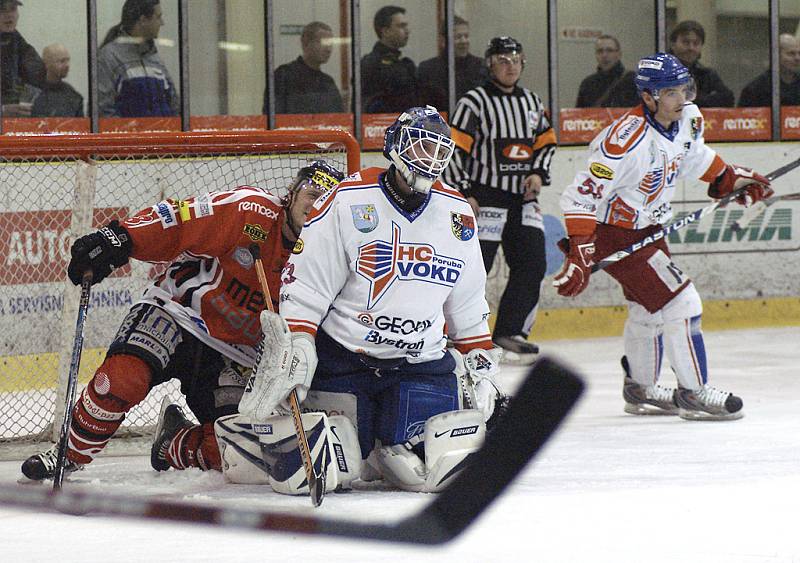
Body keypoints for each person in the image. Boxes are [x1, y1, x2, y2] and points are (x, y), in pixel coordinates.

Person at [226, 106, 505, 495]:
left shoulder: (457, 215)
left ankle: (378, 446)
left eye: (440, 151)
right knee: (326, 468)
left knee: (431, 472)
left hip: (419, 366)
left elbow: (468, 303)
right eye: (423, 148)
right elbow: (306, 286)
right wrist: (300, 345)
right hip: (345, 363)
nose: (431, 160)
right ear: (394, 146)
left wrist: (481, 365)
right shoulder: (346, 200)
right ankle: (250, 439)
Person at [20, 161, 345, 481]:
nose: (316, 205)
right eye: (311, 194)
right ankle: (69, 455)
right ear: (291, 195)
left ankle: (172, 442)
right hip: (179, 312)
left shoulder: (333, 255)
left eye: (325, 201)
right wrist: (121, 238)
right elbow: (181, 218)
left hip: (236, 354)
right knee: (121, 380)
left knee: (240, 451)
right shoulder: (250, 211)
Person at [553, 53, 773, 420]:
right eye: (670, 92)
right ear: (648, 96)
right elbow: (579, 196)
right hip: (614, 232)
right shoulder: (623, 143)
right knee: (682, 303)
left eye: (683, 89)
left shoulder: (687, 118)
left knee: (648, 309)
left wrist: (728, 179)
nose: (681, 98)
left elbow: (694, 158)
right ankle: (695, 392)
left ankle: (640, 388)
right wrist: (580, 250)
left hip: (647, 229)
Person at [443, 37, 556, 365]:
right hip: (484, 197)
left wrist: (537, 172)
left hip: (523, 199)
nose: (511, 66)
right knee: (474, 270)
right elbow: (454, 149)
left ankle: (511, 331)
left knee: (533, 263)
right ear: (490, 63)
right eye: (503, 60)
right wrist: (464, 193)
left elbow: (546, 142)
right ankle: (458, 333)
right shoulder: (473, 102)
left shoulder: (532, 102)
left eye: (516, 59)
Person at [97, 0, 179, 118]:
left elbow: (173, 103)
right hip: (132, 135)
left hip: (162, 135)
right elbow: (103, 110)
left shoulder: (154, 56)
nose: (162, 23)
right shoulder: (109, 57)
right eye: (158, 17)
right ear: (143, 20)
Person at [267, 21, 344, 115]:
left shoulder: (328, 82)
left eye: (330, 44)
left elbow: (338, 118)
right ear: (306, 43)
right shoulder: (284, 77)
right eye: (323, 43)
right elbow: (272, 117)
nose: (328, 49)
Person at [416, 16, 487, 112]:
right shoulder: (428, 69)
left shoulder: (481, 66)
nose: (464, 41)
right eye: (458, 37)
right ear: (443, 41)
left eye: (466, 36)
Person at [361, 5, 417, 113]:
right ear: (385, 31)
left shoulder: (406, 63)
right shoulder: (370, 65)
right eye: (401, 26)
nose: (407, 31)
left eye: (406, 26)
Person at [668, 20, 734, 108]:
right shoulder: (660, 71)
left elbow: (728, 98)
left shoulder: (706, 74)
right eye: (686, 42)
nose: (691, 48)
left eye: (696, 43)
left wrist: (694, 101)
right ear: (673, 44)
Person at [0, 0, 45, 117]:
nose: (9, 15)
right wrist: (3, 110)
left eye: (13, 9)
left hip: (17, 127)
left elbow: (40, 83)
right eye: (2, 9)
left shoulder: (24, 50)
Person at [739, 33, 800, 107]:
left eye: (799, 53)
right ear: (775, 56)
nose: (797, 58)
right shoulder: (756, 89)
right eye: (791, 53)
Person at [29, 43, 83, 117]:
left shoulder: (74, 97)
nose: (67, 65)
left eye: (68, 60)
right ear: (46, 63)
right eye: (62, 61)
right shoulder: (31, 94)